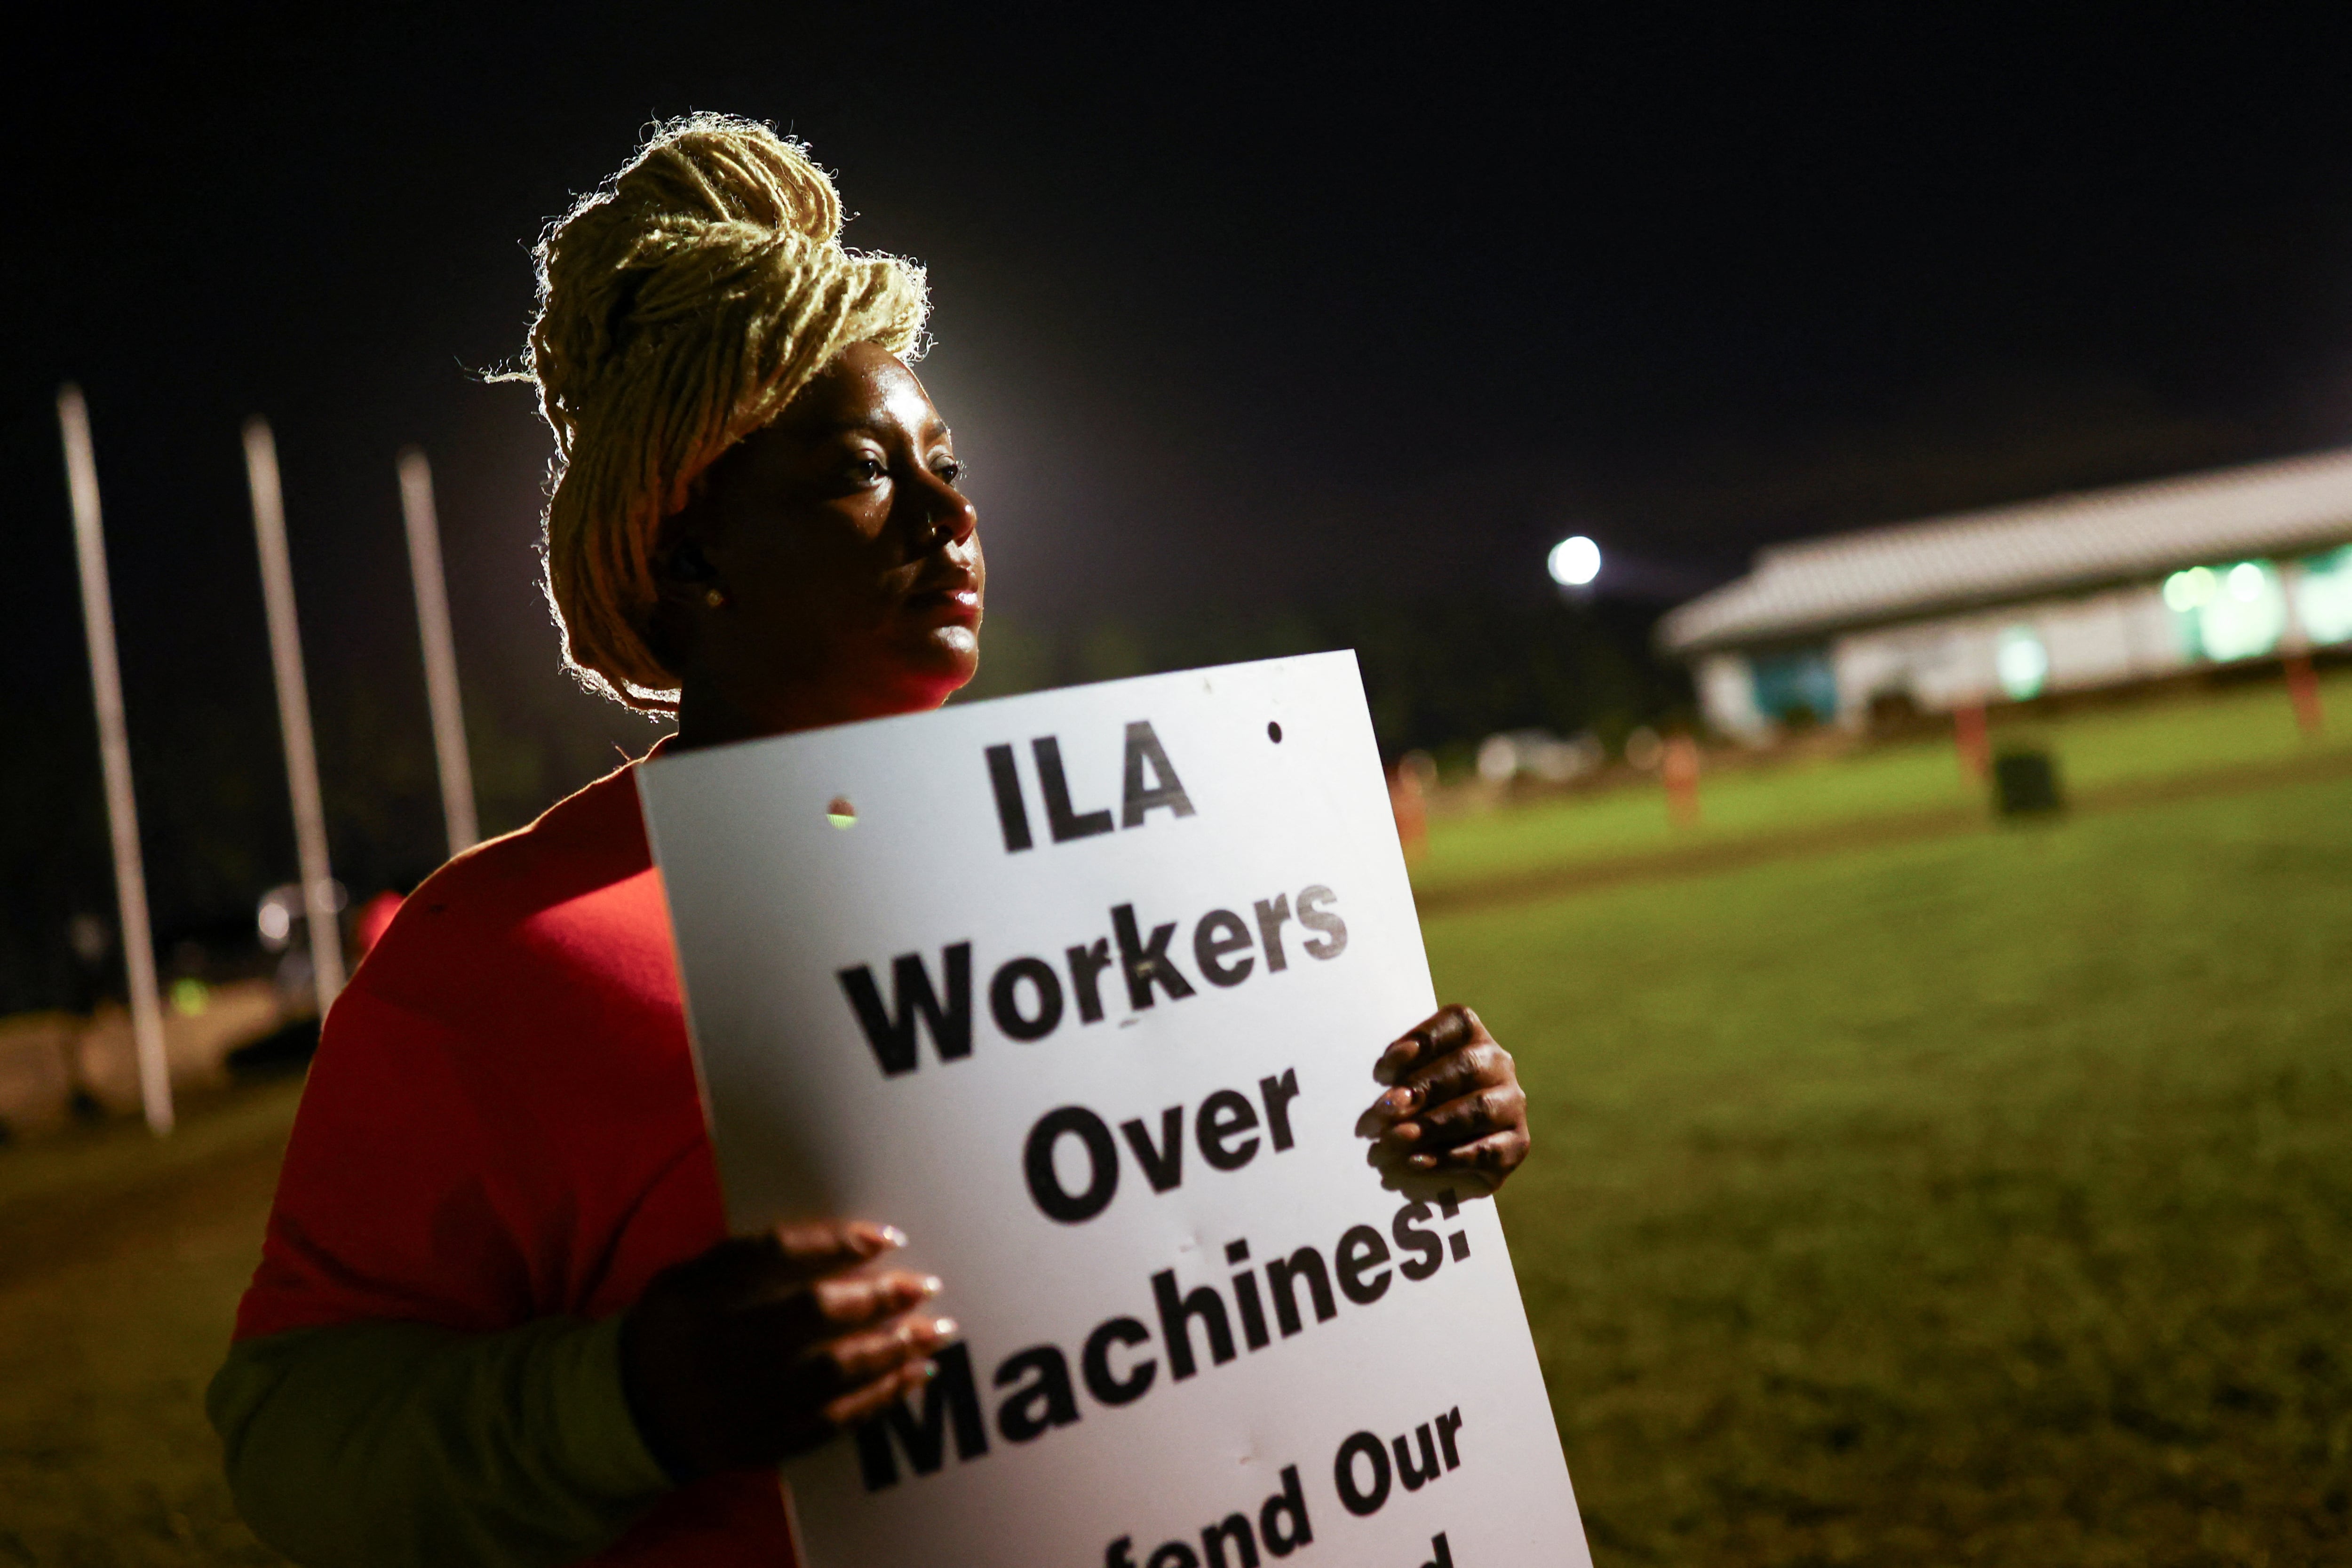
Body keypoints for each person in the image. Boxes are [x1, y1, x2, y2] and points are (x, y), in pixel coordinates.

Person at [207, 114, 1532, 1568]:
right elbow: (291, 1438)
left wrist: (1404, 1133)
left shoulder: (1115, 846)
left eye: (949, 464)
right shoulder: (509, 952)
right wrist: (631, 1400)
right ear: (691, 547)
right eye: (863, 473)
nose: (949, 513)